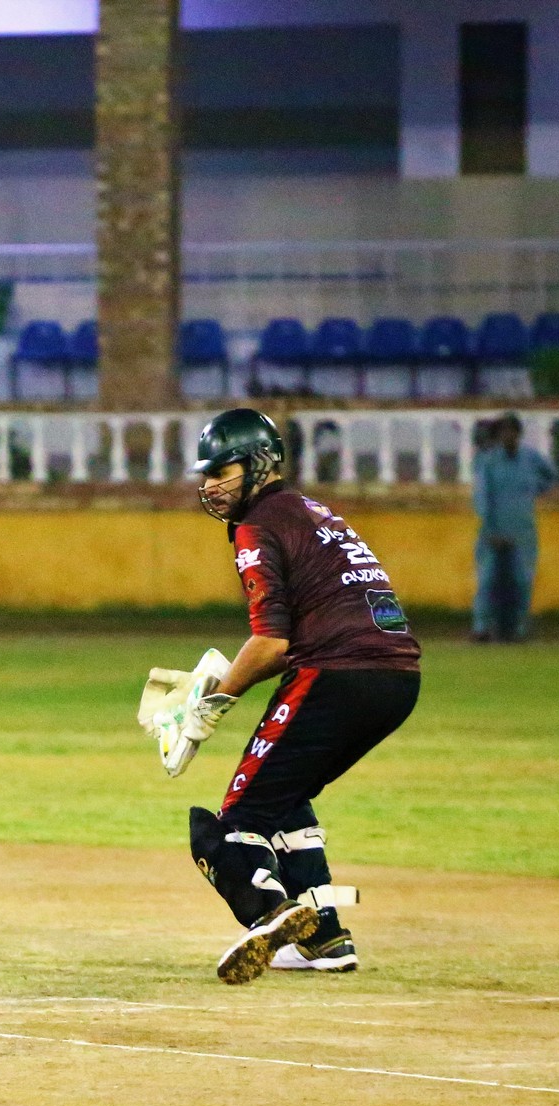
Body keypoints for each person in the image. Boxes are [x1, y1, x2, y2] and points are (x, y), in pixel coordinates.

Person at [172, 409, 421, 985]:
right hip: (398, 678)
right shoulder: (313, 511)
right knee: (285, 797)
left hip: (337, 673)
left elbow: (271, 642)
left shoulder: (257, 524)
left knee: (236, 818)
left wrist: (210, 705)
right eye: (207, 475)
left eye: (222, 471)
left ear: (260, 464)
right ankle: (322, 938)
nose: (211, 486)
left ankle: (271, 912)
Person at [471, 413, 557, 643]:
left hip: (522, 529)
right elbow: (482, 497)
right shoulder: (489, 460)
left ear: (519, 434)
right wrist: (491, 529)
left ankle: (519, 628)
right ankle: (482, 628)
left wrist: (534, 489)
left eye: (512, 432)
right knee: (487, 579)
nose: (508, 436)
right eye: (504, 432)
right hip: (492, 529)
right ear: (499, 435)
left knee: (522, 579)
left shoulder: (531, 458)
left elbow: (552, 476)